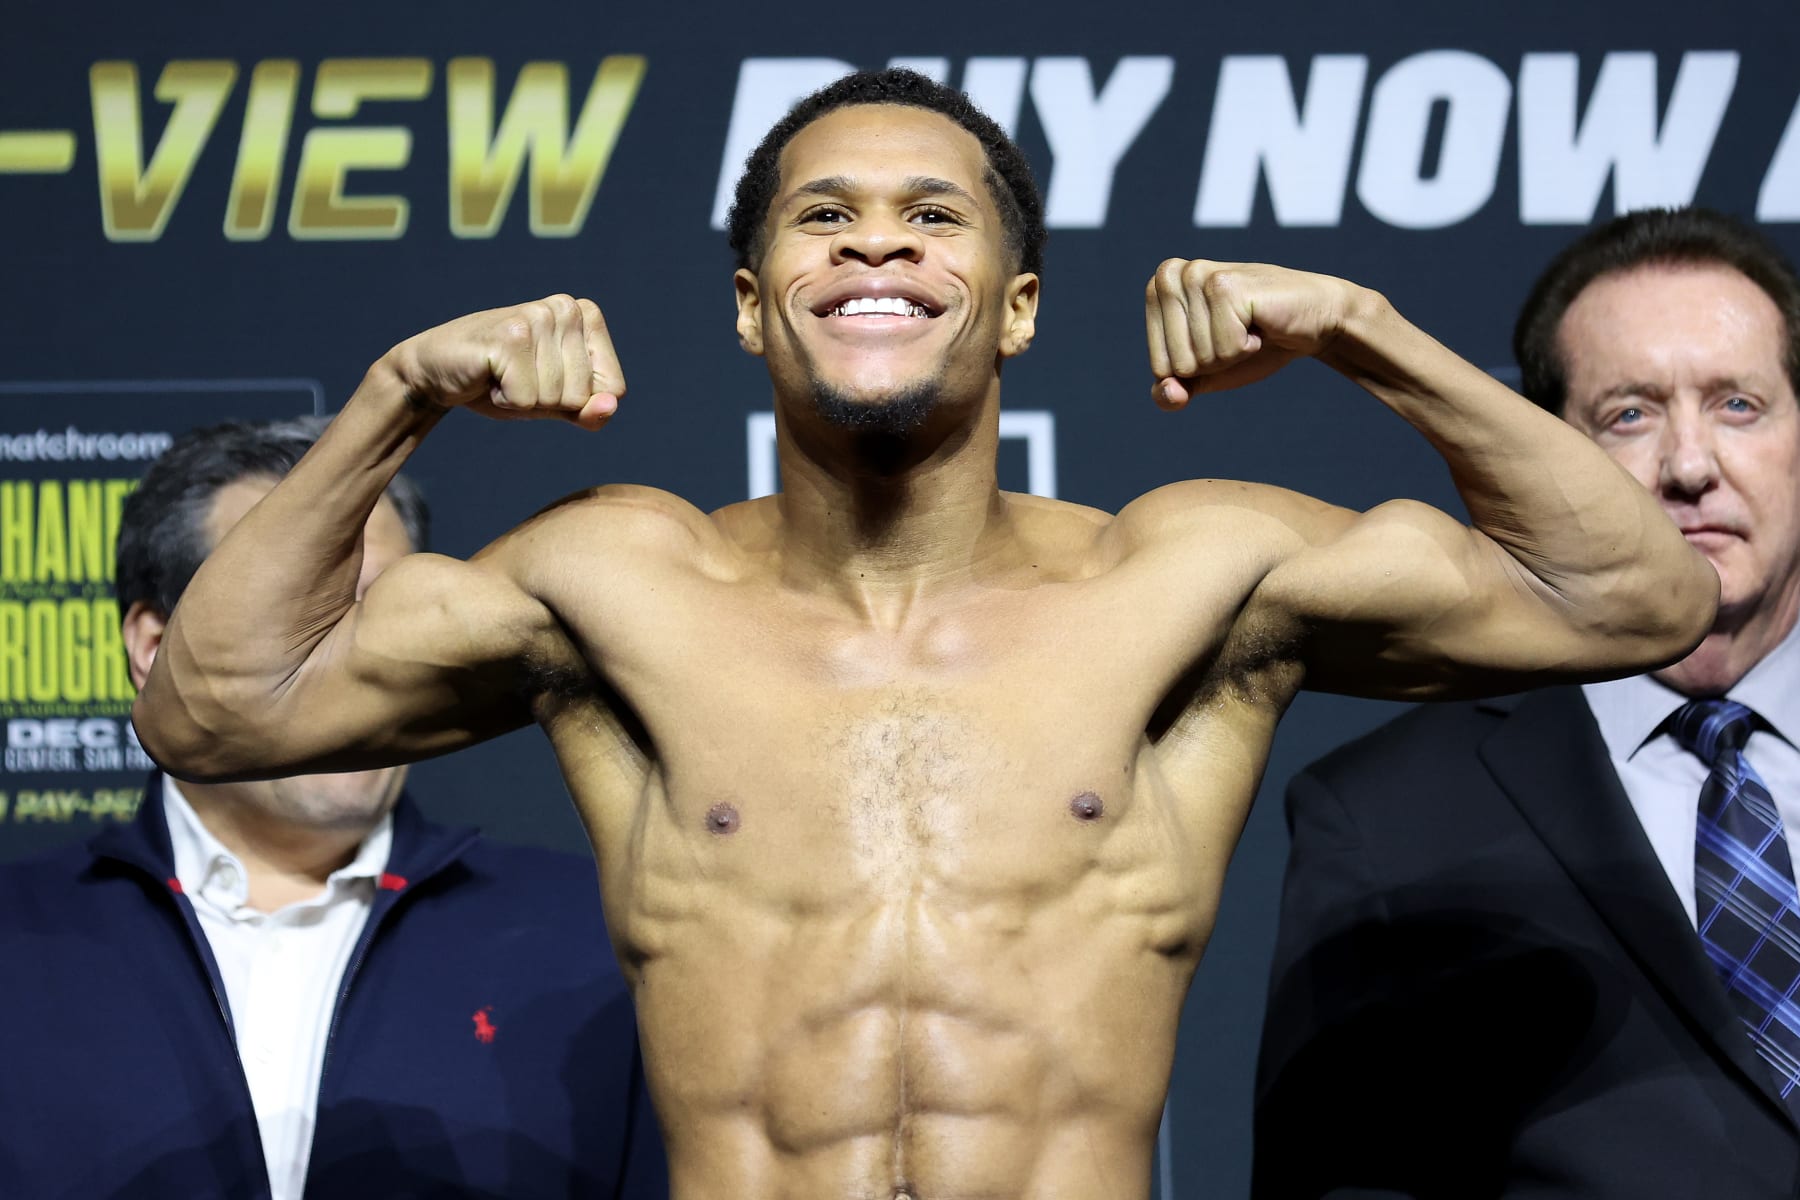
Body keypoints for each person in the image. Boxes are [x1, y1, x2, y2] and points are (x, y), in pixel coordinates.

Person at [131, 69, 1715, 1198]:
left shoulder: (1187, 578)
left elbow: (1634, 594)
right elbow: (217, 709)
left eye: (931, 216)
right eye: (823, 216)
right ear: (751, 301)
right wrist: (397, 395)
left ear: (1015, 303)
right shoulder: (616, 583)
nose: (875, 244)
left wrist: (1362, 332)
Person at [1253, 206, 1800, 1198]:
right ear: (1548, 461)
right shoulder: (1385, 821)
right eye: (1629, 415)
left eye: (1738, 405)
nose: (1689, 467)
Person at [0, 417, 665, 1199]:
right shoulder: (17, 944)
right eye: (296, 613)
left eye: (384, 613)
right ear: (156, 651)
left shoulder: (599, 940)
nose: (353, 660)